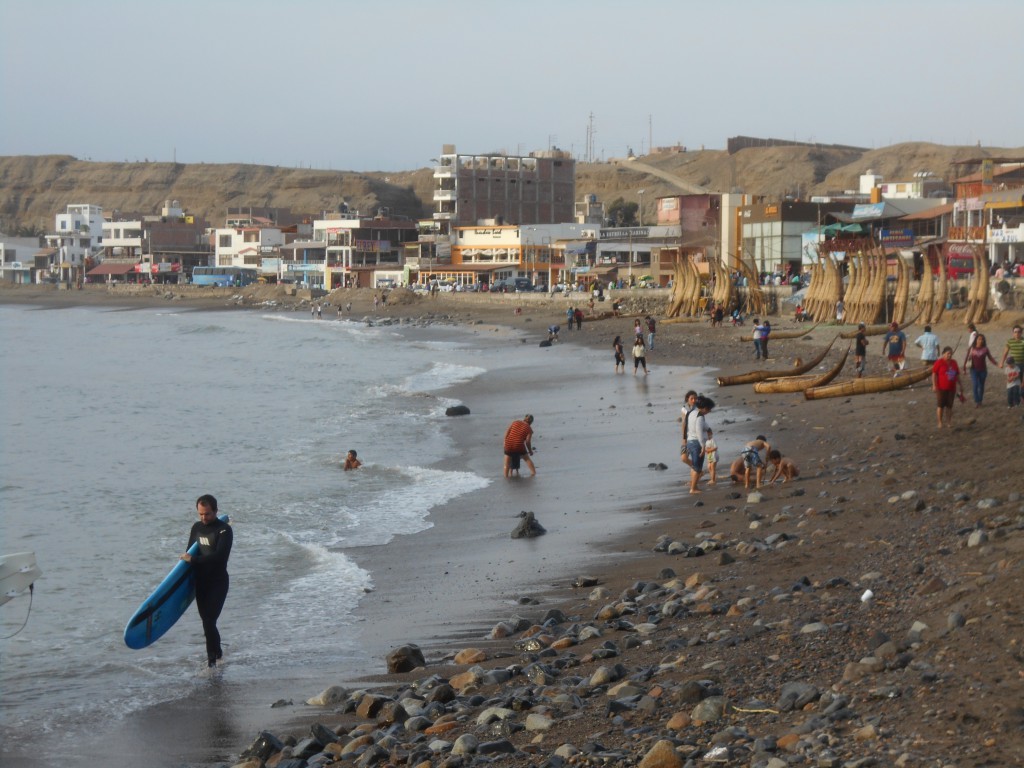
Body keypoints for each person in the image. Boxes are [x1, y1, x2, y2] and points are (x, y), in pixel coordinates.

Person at [181, 494, 232, 668]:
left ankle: (211, 663)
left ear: (216, 511)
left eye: (208, 514)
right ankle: (217, 654)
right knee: (207, 623)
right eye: (201, 514)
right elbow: (190, 552)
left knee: (209, 621)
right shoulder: (196, 528)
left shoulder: (224, 530)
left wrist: (193, 561)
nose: (204, 518)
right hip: (201, 583)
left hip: (218, 583)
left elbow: (220, 556)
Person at [684, 396, 714, 494]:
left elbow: (702, 425)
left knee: (694, 466)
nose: (709, 412)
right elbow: (699, 432)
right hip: (697, 443)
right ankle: (693, 488)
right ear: (705, 408)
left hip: (690, 441)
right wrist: (703, 446)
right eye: (709, 409)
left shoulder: (692, 413)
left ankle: (694, 485)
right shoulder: (700, 416)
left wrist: (708, 428)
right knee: (697, 467)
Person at [932, 346, 964, 428]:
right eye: (948, 353)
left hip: (951, 388)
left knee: (949, 406)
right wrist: (934, 385)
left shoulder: (954, 363)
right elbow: (934, 374)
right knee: (940, 405)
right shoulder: (939, 362)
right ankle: (940, 422)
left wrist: (960, 385)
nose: (949, 355)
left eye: (950, 354)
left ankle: (949, 422)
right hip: (941, 388)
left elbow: (957, 375)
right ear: (943, 354)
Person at [963, 333, 999, 406]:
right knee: (975, 385)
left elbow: (990, 358)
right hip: (974, 370)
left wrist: (997, 364)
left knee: (981, 386)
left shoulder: (985, 349)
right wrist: (964, 369)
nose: (981, 341)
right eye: (979, 339)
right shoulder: (971, 348)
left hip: (983, 370)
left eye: (982, 339)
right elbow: (966, 359)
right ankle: (977, 401)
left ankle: (980, 400)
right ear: (976, 340)